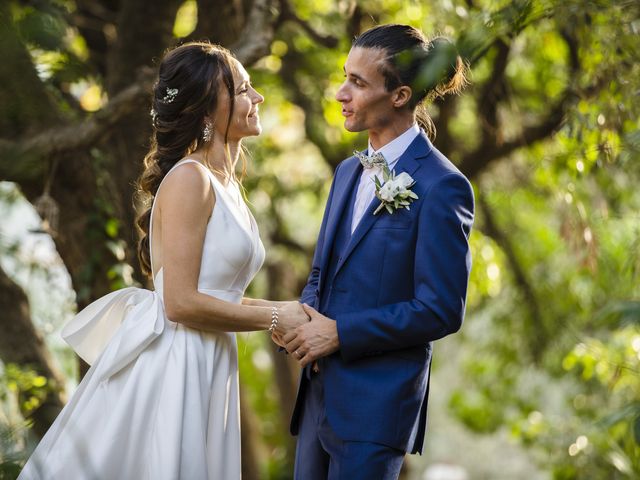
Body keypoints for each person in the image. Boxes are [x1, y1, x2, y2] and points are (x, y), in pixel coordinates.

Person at [19, 41, 308, 480]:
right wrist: (273, 319)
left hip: (211, 354)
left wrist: (287, 312)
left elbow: (218, 293)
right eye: (244, 89)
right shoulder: (191, 179)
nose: (258, 98)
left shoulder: (226, 183)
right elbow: (179, 303)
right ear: (208, 112)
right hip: (178, 359)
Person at [279, 24, 475, 479]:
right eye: (344, 76)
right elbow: (320, 274)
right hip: (316, 397)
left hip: (376, 409)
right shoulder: (347, 172)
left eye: (358, 83)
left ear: (400, 95)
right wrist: (302, 321)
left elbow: (441, 309)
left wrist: (341, 333)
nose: (340, 92)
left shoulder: (443, 186)